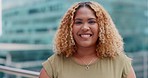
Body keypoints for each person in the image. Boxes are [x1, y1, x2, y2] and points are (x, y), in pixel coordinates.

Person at [39, 1, 136, 78]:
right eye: (78, 22)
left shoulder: (121, 63)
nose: (85, 27)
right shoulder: (52, 66)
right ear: (69, 28)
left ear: (102, 27)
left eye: (91, 22)